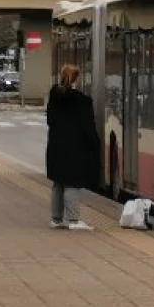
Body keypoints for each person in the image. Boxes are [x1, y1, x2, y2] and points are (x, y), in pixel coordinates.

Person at [46, 64, 99, 230]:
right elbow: (88, 128)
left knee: (58, 183)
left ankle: (56, 219)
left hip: (55, 146)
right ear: (76, 79)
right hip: (74, 148)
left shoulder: (54, 96)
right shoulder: (82, 101)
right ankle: (74, 221)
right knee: (72, 184)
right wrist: (95, 145)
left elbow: (50, 120)